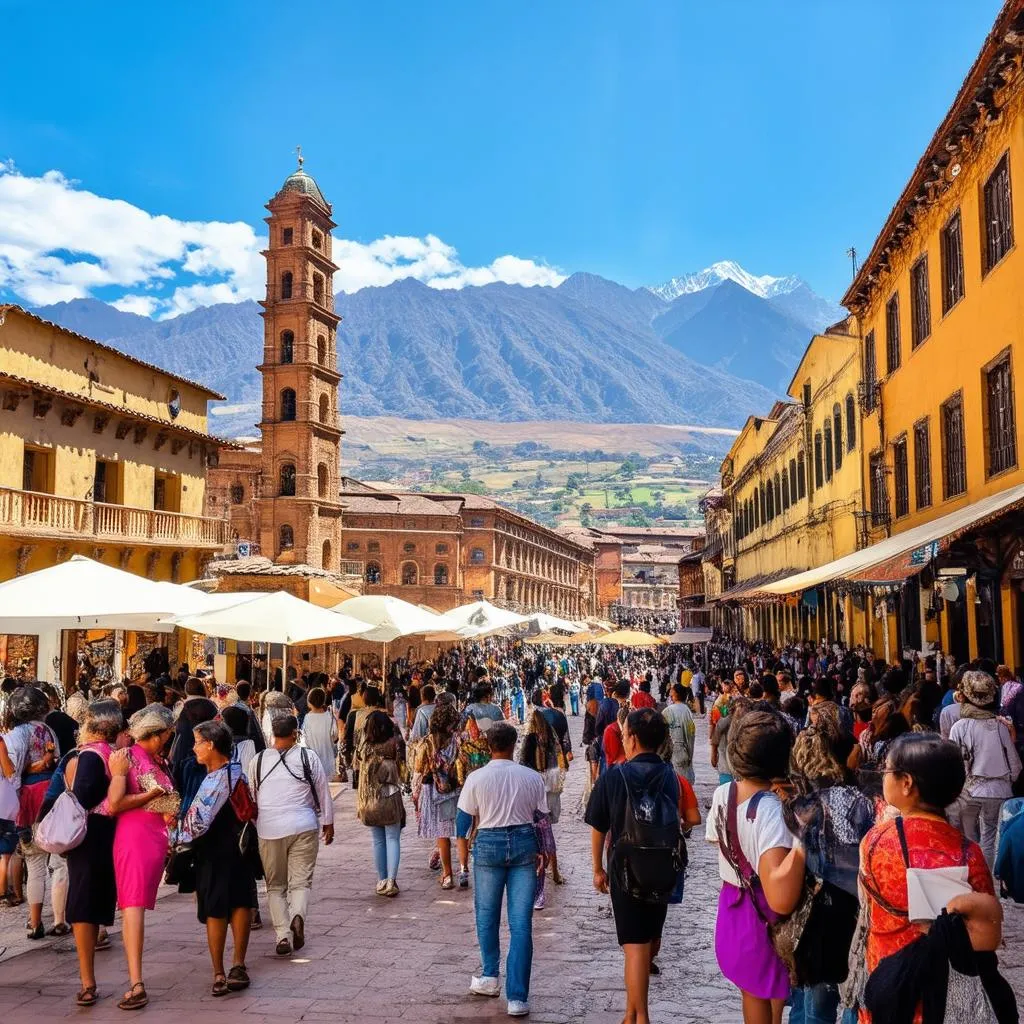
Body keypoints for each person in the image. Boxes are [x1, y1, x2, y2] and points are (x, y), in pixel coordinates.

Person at [853, 733, 1000, 1024]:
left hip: (888, 980)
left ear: (906, 783)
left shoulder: (876, 842)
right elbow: (985, 931)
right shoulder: (969, 854)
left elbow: (866, 905)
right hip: (945, 993)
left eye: (887, 771)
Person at [586, 708, 700, 1024]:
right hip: (664, 866)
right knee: (649, 938)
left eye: (624, 734)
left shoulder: (614, 776)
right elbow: (689, 819)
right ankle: (631, 1013)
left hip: (625, 869)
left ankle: (639, 1015)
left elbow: (598, 826)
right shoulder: (672, 777)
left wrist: (598, 868)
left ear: (633, 739)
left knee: (634, 946)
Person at [707, 708, 806, 1024]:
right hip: (762, 915)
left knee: (752, 992)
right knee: (765, 990)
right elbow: (780, 895)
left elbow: (715, 837)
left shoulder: (724, 793)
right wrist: (803, 844)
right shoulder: (771, 811)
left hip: (733, 907)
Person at [458, 721, 550, 1018]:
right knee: (521, 923)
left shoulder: (476, 778)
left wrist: (461, 862)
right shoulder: (531, 777)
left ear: (488, 745)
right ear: (514, 745)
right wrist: (545, 852)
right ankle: (517, 997)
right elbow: (542, 819)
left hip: (488, 843)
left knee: (487, 915)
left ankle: (489, 976)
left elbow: (463, 823)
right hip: (524, 842)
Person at [784, 727, 873, 1024]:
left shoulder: (799, 808)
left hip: (819, 912)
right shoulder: (860, 799)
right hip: (857, 908)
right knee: (853, 993)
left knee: (817, 1002)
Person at [176, 720, 255, 997]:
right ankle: (238, 964)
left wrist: (176, 835)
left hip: (213, 851)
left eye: (198, 742)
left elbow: (197, 823)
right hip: (239, 847)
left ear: (210, 745)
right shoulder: (237, 772)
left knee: (216, 909)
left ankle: (219, 971)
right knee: (241, 902)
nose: (194, 747)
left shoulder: (215, 780)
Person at [107, 704, 178, 1011]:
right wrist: (153, 796)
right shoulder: (129, 758)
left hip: (150, 839)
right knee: (133, 907)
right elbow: (115, 803)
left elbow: (165, 805)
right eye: (167, 732)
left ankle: (137, 981)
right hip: (134, 839)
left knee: (134, 907)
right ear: (158, 734)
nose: (170, 736)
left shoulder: (152, 759)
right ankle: (136, 981)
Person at [249, 713, 334, 956]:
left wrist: (260, 825)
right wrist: (328, 822)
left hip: (269, 828)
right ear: (296, 733)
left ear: (272, 735)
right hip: (303, 825)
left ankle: (283, 934)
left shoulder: (258, 760)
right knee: (301, 881)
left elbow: (252, 798)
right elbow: (322, 790)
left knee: (275, 886)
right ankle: (297, 915)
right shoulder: (308, 757)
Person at [65, 700, 121, 1008]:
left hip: (88, 838)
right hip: (107, 835)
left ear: (93, 725)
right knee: (93, 901)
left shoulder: (89, 755)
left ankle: (88, 981)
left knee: (83, 906)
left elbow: (82, 797)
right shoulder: (112, 754)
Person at [2, 685, 59, 940]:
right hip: (50, 794)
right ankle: (60, 917)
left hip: (28, 797)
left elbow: (13, 771)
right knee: (56, 860)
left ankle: (35, 922)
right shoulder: (48, 730)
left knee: (34, 862)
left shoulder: (17, 733)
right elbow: (54, 760)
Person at [948, 671, 1021, 869]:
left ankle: (971, 879)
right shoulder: (1000, 727)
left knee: (968, 839)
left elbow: (953, 765)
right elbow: (1015, 764)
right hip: (998, 791)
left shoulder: (959, 727)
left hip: (968, 791)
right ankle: (985, 879)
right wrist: (1007, 780)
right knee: (989, 839)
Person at [413, 700, 466, 889]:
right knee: (461, 832)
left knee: (442, 835)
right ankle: (464, 870)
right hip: (456, 791)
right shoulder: (458, 741)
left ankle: (447, 875)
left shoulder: (427, 742)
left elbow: (419, 767)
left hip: (434, 792)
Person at [519, 702, 566, 905]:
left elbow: (522, 762)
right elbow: (562, 760)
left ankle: (538, 870)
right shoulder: (552, 737)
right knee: (549, 833)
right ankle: (554, 871)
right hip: (552, 786)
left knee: (537, 834)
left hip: (535, 789)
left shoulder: (530, 739)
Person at [356, 709, 406, 897]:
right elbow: (404, 768)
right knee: (392, 838)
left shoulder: (364, 748)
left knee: (377, 840)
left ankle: (382, 879)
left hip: (370, 798)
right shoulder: (395, 744)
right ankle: (392, 880)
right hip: (390, 795)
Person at [302, 686, 339, 782]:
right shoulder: (330, 717)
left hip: (312, 762)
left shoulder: (307, 718)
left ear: (309, 702)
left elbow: (304, 739)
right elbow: (335, 736)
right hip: (328, 761)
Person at [662, 683, 697, 783]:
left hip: (673, 752)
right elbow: (691, 734)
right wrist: (690, 753)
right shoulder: (687, 711)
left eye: (672, 690)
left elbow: (661, 735)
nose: (670, 691)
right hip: (684, 752)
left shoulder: (668, 711)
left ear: (676, 694)